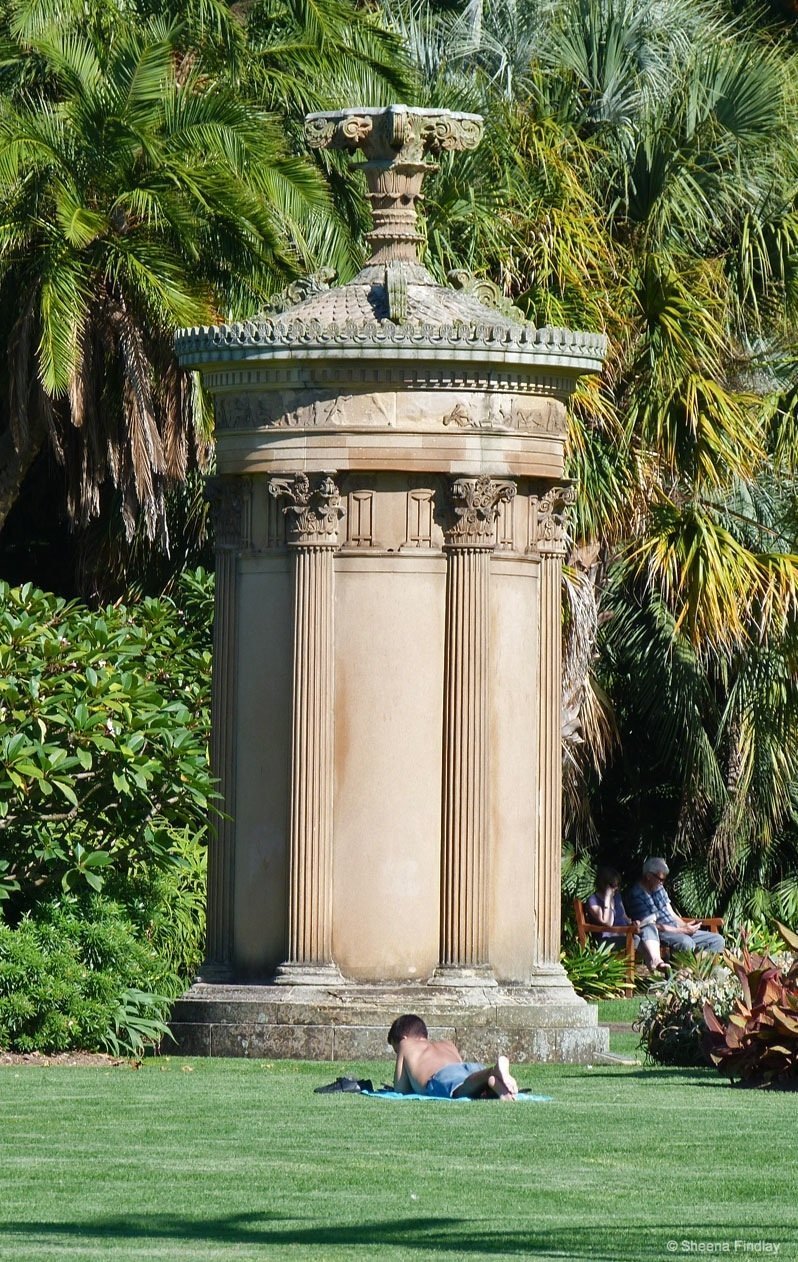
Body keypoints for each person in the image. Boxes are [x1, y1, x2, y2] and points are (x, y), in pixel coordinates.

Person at [387, 1014, 518, 1100]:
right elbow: (460, 1069)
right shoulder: (447, 1044)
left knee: (460, 1089)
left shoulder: (406, 1044)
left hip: (442, 1075)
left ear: (403, 1038)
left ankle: (492, 1071)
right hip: (469, 1069)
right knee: (474, 1089)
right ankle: (492, 1082)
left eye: (396, 1050)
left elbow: (401, 1089)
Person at [625, 857, 725, 955]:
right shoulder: (636, 895)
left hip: (677, 929)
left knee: (717, 940)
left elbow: (672, 914)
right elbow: (650, 926)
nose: (662, 883)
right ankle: (688, 969)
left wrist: (686, 927)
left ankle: (693, 968)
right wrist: (681, 930)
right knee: (686, 943)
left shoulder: (659, 888)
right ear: (648, 876)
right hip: (658, 934)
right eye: (660, 879)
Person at [585, 865, 670, 973]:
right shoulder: (593, 900)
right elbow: (608, 922)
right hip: (607, 940)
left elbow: (625, 917)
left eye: (617, 885)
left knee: (649, 927)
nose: (616, 888)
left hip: (625, 934)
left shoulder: (617, 896)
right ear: (604, 884)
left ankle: (656, 962)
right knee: (639, 940)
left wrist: (633, 923)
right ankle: (655, 966)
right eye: (613, 885)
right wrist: (608, 899)